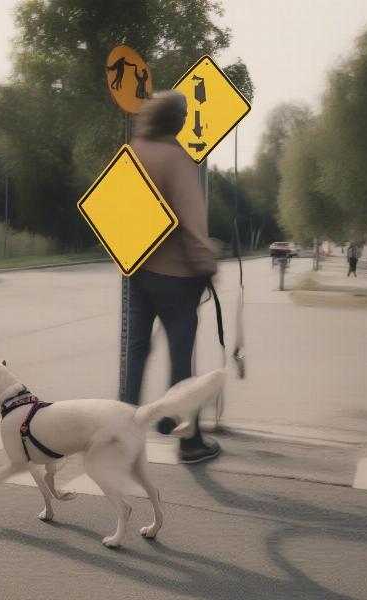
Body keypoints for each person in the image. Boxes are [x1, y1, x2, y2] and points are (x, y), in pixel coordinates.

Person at [121, 90, 220, 464]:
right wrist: (206, 264)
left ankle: (121, 433)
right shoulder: (177, 158)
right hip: (177, 275)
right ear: (173, 120)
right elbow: (193, 222)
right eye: (182, 114)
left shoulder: (133, 151)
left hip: (136, 268)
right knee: (181, 359)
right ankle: (188, 439)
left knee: (135, 353)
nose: (183, 120)